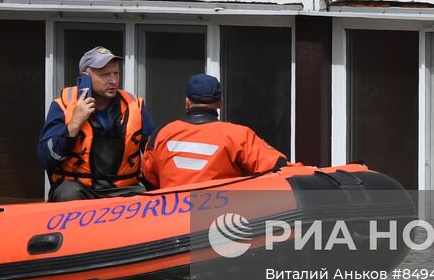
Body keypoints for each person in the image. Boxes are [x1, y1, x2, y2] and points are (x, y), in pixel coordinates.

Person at [37, 46, 157, 202]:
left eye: (116, 73)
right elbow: (45, 158)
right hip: (79, 189)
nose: (113, 80)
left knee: (146, 198)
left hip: (124, 190)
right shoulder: (63, 105)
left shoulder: (134, 106)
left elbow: (153, 155)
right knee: (68, 193)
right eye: (105, 75)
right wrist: (74, 124)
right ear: (85, 77)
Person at [142, 74, 287, 189]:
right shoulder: (238, 135)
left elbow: (149, 178)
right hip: (217, 219)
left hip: (171, 218)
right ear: (220, 102)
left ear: (187, 101)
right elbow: (279, 167)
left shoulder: (161, 135)